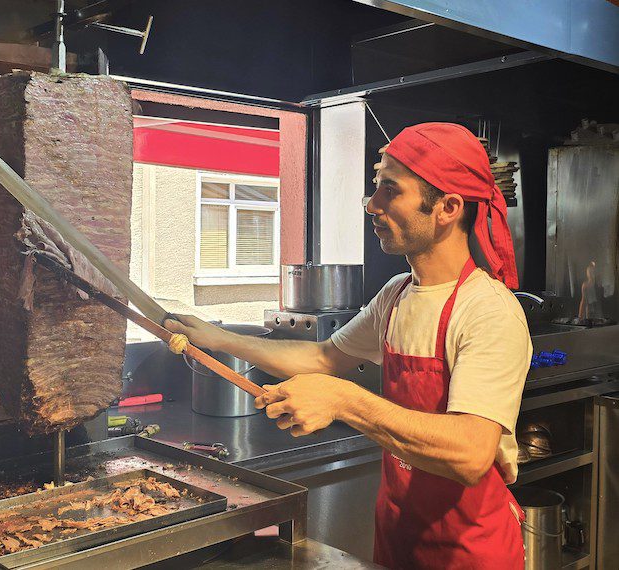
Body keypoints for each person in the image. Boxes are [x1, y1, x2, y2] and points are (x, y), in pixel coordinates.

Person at [165, 122, 532, 569]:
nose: (371, 205)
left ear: (448, 208)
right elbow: (323, 357)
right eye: (375, 188)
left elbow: (471, 453)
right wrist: (218, 339)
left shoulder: (487, 309)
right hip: (399, 535)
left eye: (390, 191)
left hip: (471, 551)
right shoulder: (397, 293)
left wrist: (343, 400)